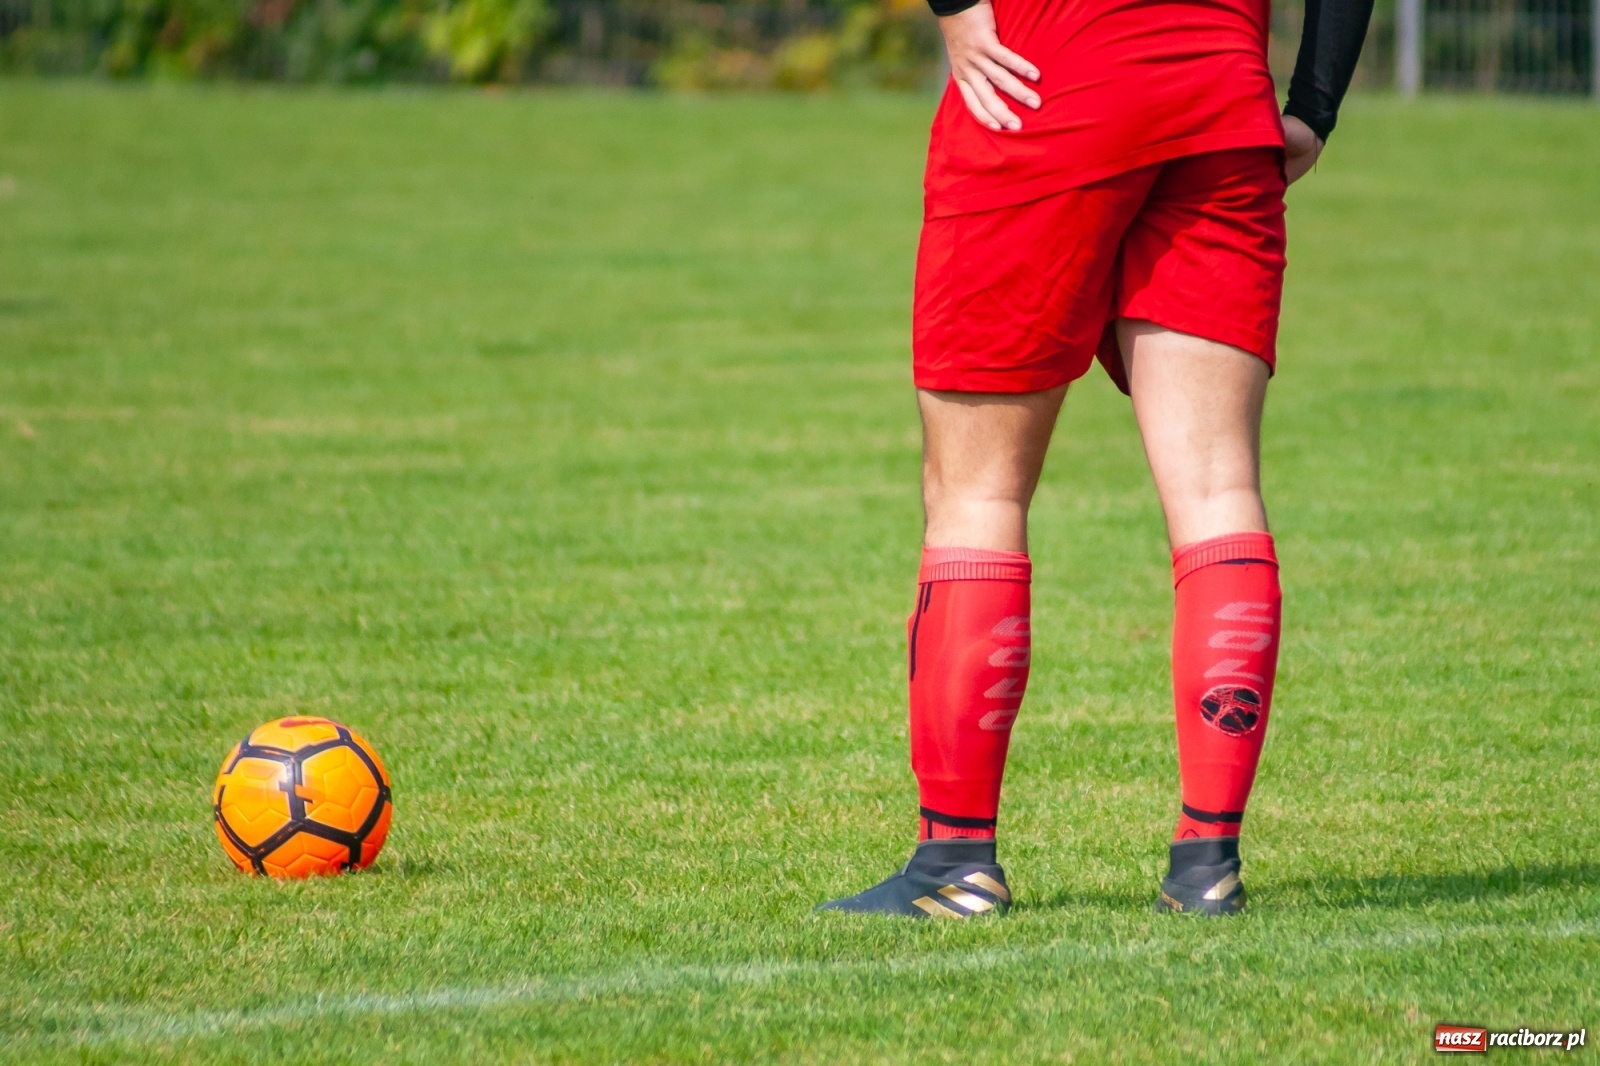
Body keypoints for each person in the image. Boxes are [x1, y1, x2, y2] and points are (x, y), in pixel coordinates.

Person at [819, 0, 1374, 918]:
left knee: (977, 493)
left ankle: (954, 864)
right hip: (1220, 97)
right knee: (1218, 482)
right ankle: (1207, 868)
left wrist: (957, 13)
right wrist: (1314, 100)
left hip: (1043, 81)